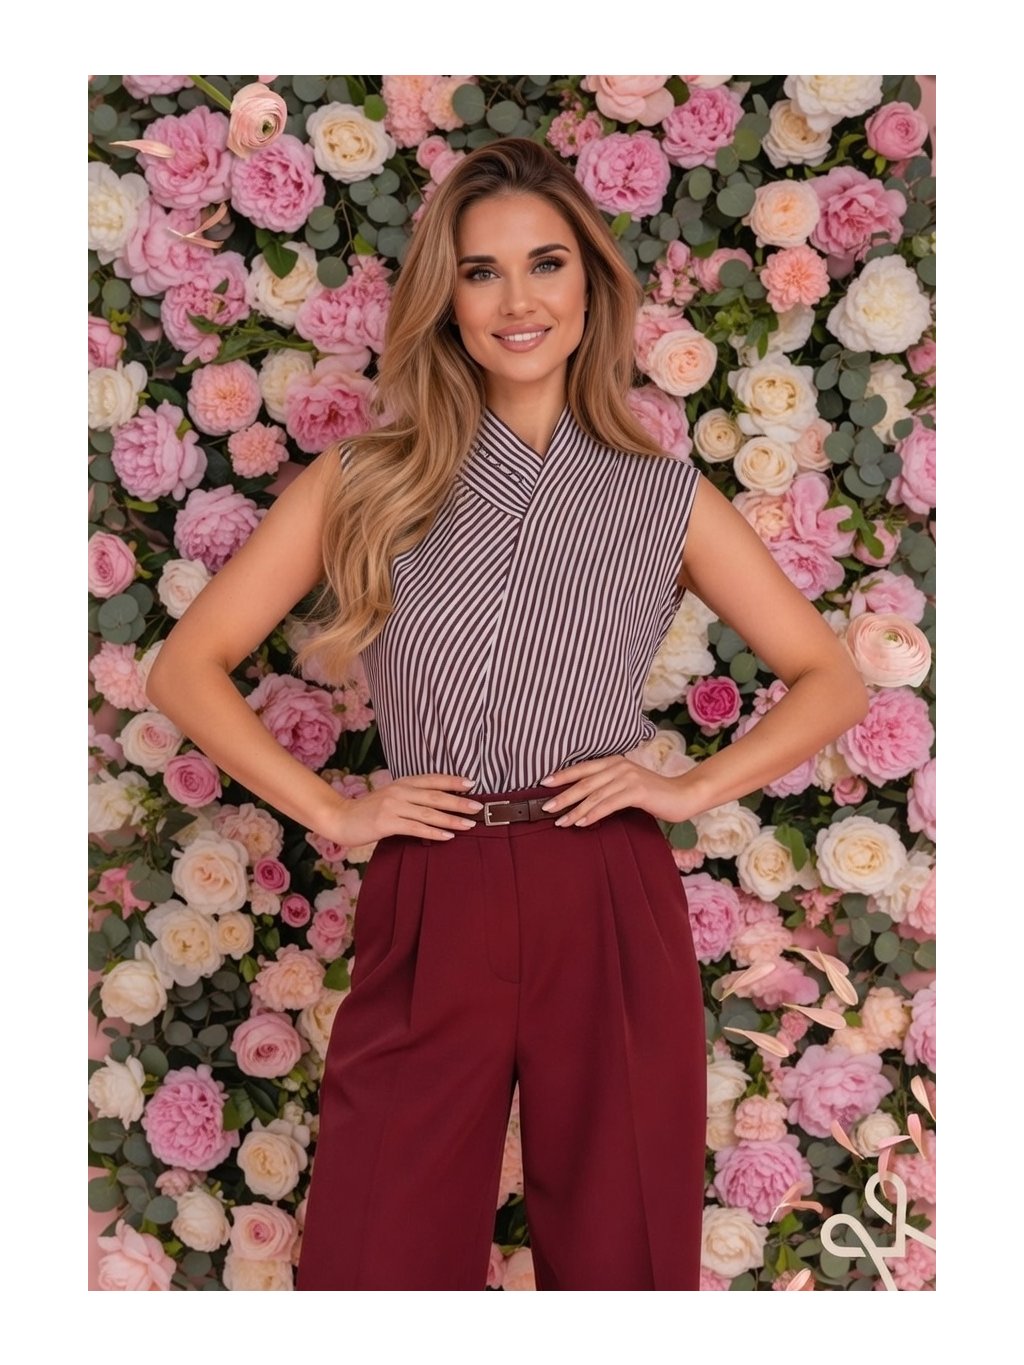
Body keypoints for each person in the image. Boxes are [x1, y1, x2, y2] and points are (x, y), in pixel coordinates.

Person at [144, 135, 870, 1291]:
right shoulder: (367, 479)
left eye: (545, 264)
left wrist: (686, 789)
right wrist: (332, 811)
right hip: (432, 878)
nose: (517, 301)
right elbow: (187, 668)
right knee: (375, 1263)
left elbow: (833, 677)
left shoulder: (662, 495)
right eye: (482, 272)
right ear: (448, 298)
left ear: (589, 283)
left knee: (624, 1261)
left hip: (605, 883)